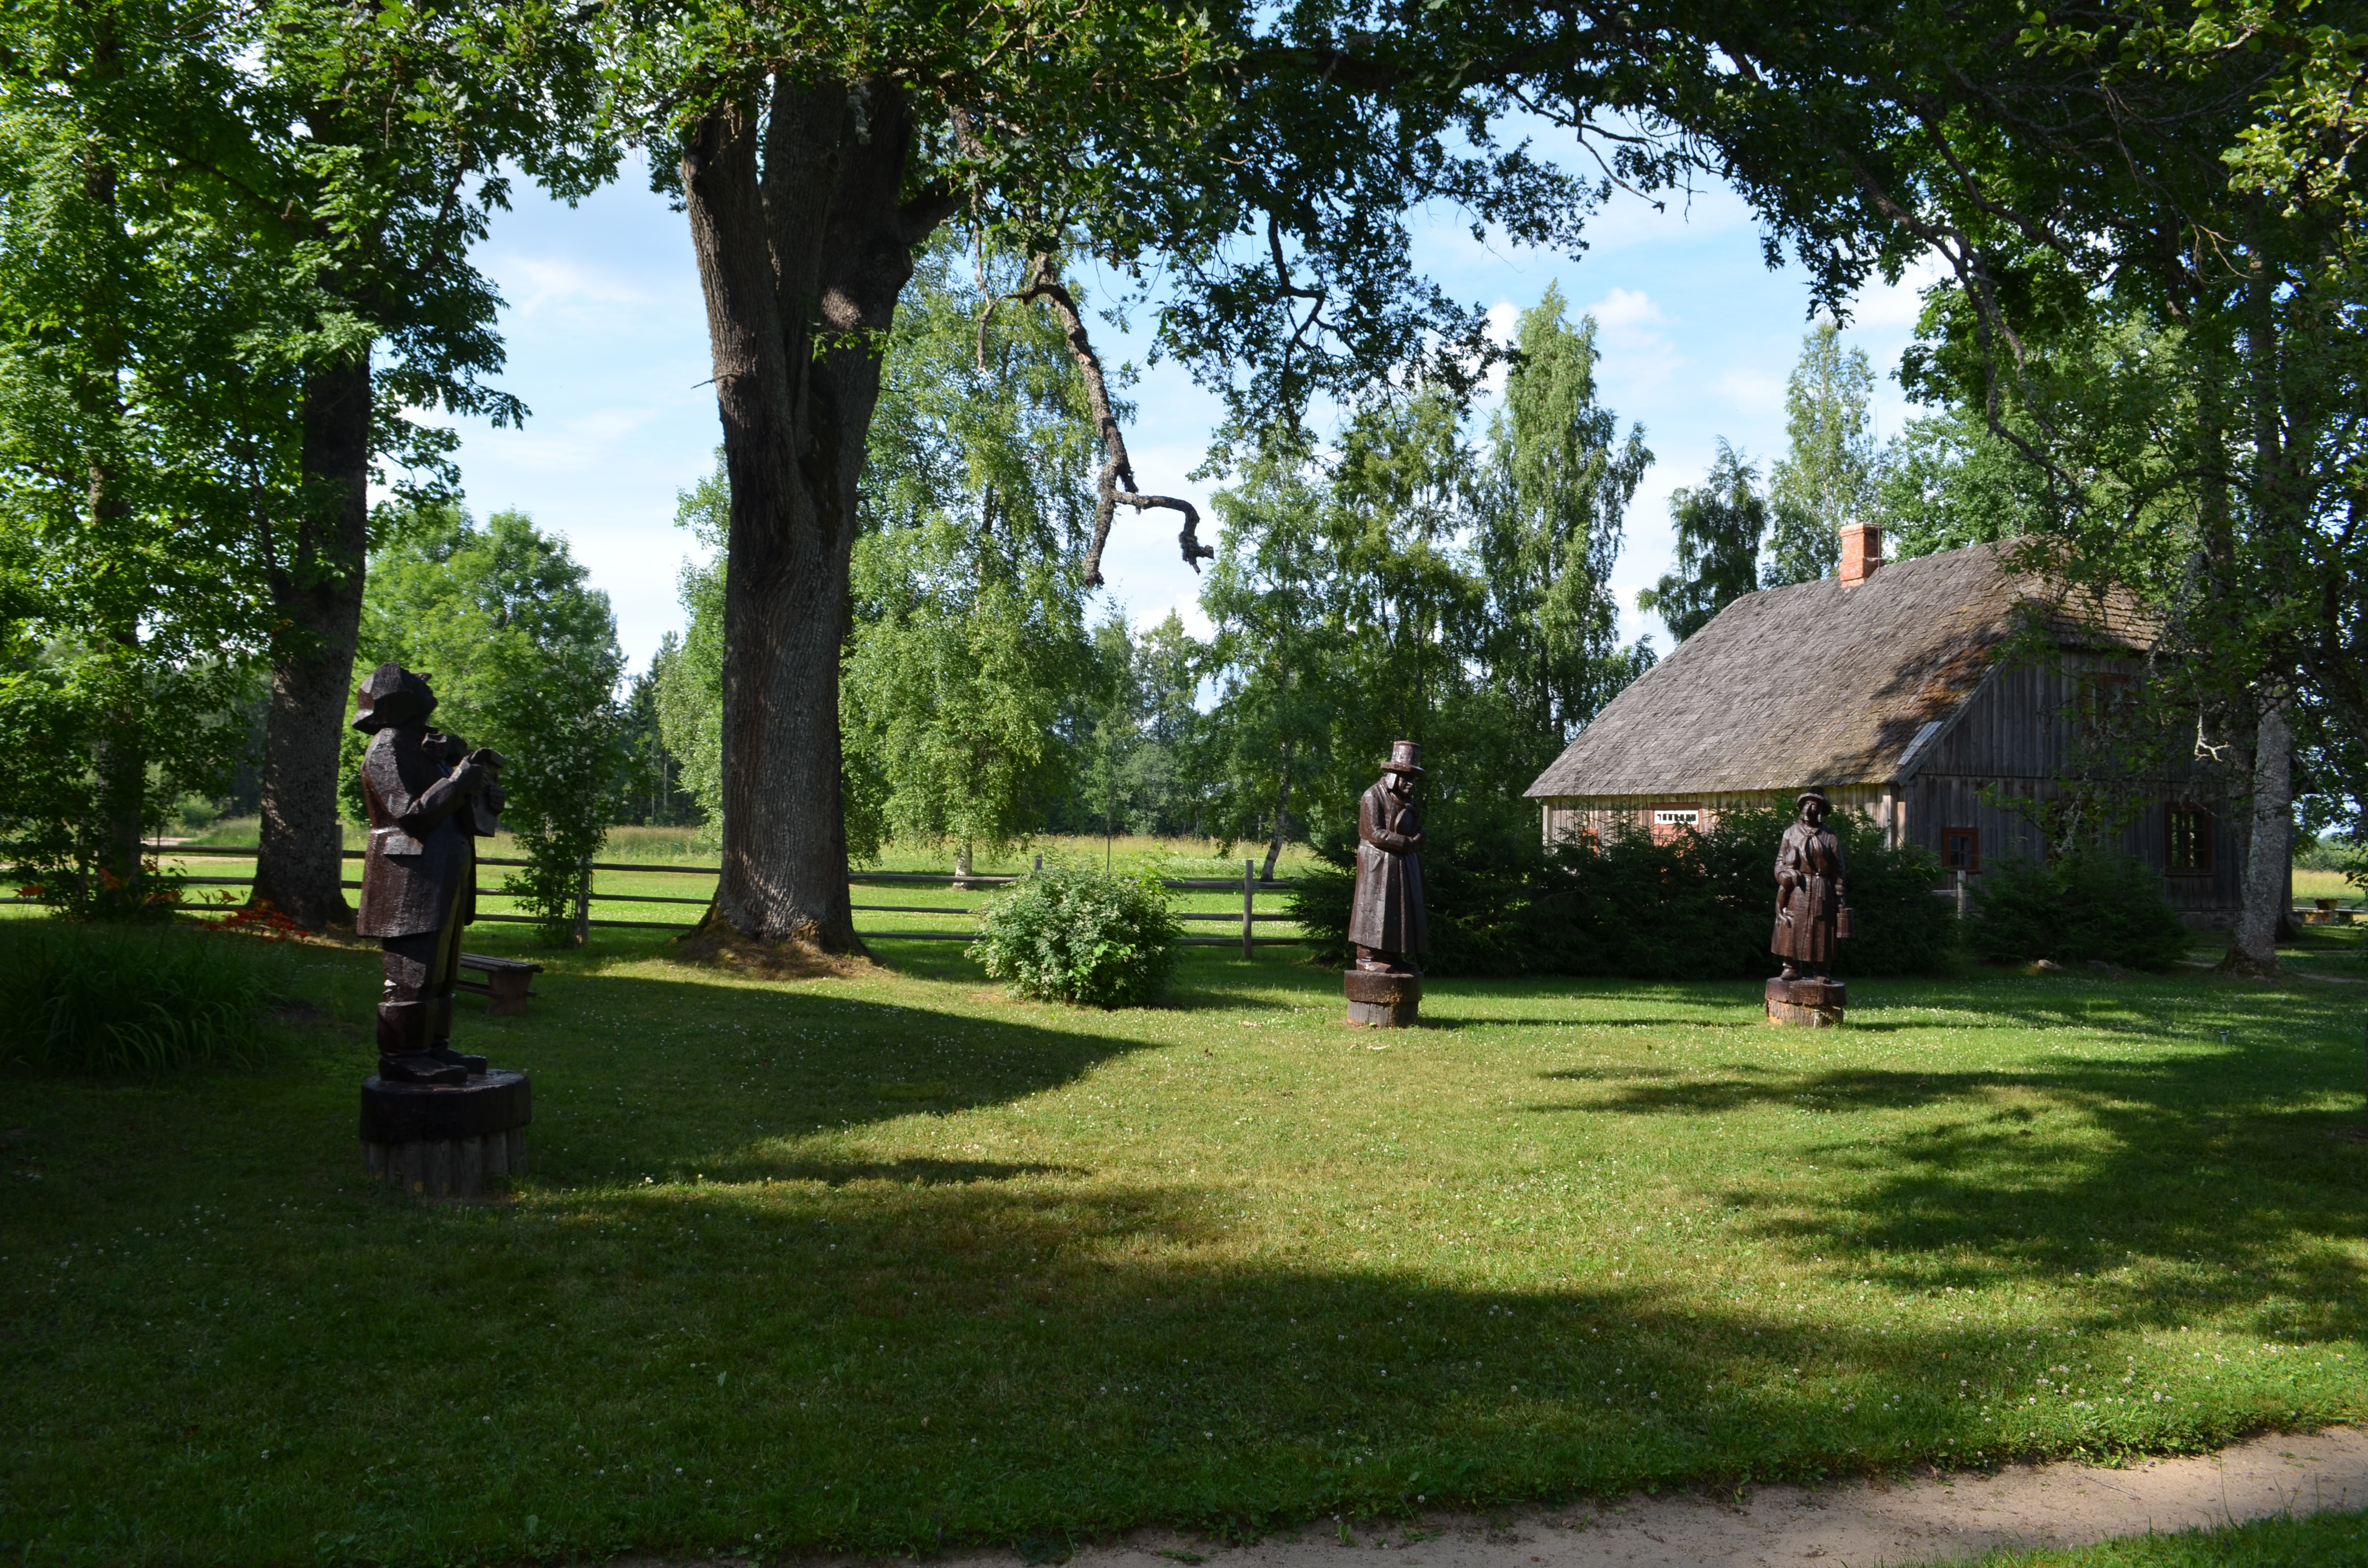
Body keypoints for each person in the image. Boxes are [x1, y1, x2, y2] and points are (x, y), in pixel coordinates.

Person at [351, 664, 505, 1085]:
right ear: (396, 698)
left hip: (444, 871)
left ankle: (433, 1047)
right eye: (414, 683)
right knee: (412, 973)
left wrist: (482, 797)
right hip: (410, 876)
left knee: (442, 970)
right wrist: (458, 783)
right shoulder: (386, 746)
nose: (425, 685)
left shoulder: (422, 746)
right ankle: (403, 1055)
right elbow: (411, 815)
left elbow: (450, 811)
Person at [1349, 741, 1428, 973]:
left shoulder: (1409, 802)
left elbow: (1413, 827)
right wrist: (1407, 843)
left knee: (1399, 912)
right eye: (1407, 778)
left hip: (1402, 864)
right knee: (1374, 908)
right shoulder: (1373, 796)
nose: (1411, 784)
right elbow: (1373, 833)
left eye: (1414, 779)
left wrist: (1419, 837)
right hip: (1377, 865)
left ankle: (1394, 956)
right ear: (1394, 775)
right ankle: (1367, 957)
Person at [1772, 786, 1847, 980]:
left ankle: (1822, 970)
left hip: (1822, 888)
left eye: (1813, 805)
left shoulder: (1830, 836)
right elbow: (1780, 862)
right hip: (1797, 888)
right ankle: (1791, 967)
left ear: (1820, 810)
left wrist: (1839, 894)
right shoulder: (1790, 833)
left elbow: (1838, 868)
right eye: (1806, 804)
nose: (1808, 809)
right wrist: (1783, 875)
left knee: (1821, 929)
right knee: (1792, 925)